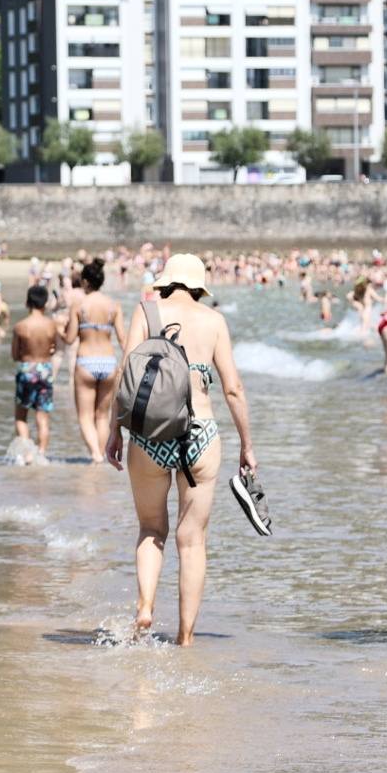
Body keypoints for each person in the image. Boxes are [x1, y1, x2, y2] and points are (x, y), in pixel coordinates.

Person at [106, 254, 257, 645]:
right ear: (198, 287)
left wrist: (113, 432)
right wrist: (247, 445)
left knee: (151, 528)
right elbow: (234, 389)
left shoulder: (145, 310)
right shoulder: (214, 321)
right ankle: (185, 637)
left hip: (149, 434)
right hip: (200, 434)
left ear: (166, 282)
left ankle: (144, 607)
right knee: (192, 541)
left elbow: (124, 373)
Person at [64, 260, 127, 463]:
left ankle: (95, 454)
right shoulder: (113, 305)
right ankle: (101, 455)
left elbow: (70, 338)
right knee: (102, 415)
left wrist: (59, 330)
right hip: (109, 362)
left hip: (86, 361)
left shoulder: (78, 305)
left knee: (84, 416)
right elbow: (123, 339)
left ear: (84, 282)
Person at [12, 285, 59, 459]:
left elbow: (15, 354)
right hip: (45, 369)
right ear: (45, 303)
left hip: (26, 368)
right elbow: (54, 348)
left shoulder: (20, 326)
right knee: (43, 417)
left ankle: (27, 455)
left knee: (21, 416)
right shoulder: (51, 325)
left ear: (28, 302)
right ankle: (41, 453)